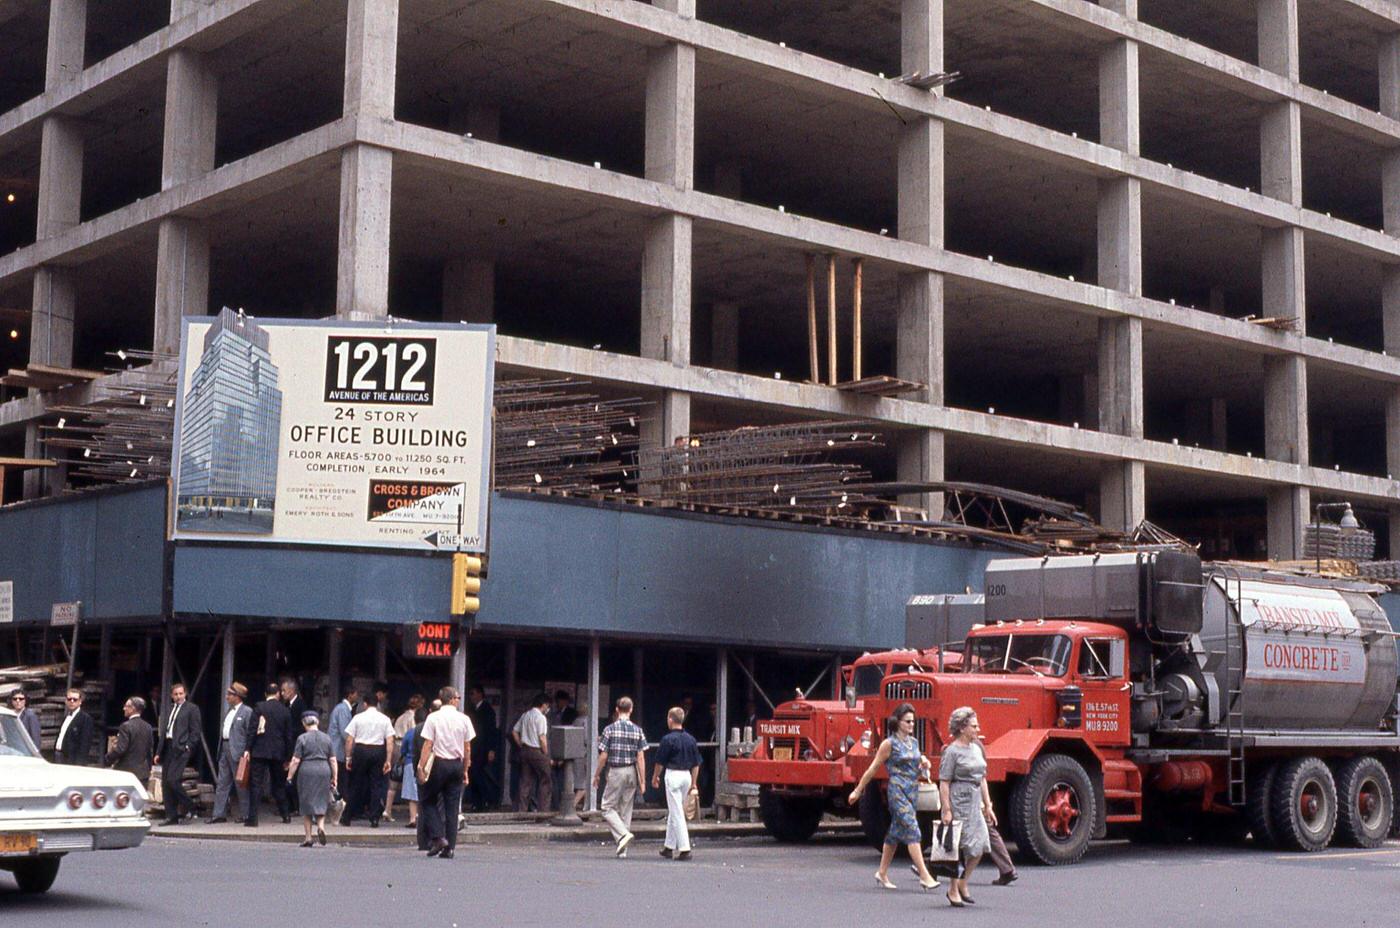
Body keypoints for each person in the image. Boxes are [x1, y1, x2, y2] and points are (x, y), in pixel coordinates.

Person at [847, 702, 940, 892]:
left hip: (912, 791)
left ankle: (881, 872)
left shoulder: (913, 742)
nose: (911, 725)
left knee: (895, 833)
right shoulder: (888, 744)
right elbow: (872, 768)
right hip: (897, 791)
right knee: (913, 829)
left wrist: (923, 761)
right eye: (907, 721)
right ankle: (925, 875)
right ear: (897, 722)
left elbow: (916, 760)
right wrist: (858, 790)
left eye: (913, 721)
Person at [939, 707, 994, 907]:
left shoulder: (977, 748)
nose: (977, 729)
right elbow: (944, 781)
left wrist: (988, 805)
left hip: (974, 799)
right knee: (957, 847)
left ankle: (963, 881)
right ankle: (952, 888)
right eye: (974, 726)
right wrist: (946, 809)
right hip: (958, 799)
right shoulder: (952, 752)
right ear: (962, 728)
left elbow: (983, 778)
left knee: (980, 845)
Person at [418, 686, 475, 859]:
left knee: (427, 800)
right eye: (457, 698)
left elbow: (428, 744)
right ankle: (450, 848)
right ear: (451, 700)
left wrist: (421, 766)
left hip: (438, 764)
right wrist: (465, 769)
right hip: (456, 765)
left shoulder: (433, 718)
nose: (459, 700)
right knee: (452, 807)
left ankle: (438, 837)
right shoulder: (464, 719)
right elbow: (467, 747)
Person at [593, 696, 647, 857]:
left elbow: (603, 755)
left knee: (607, 807)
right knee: (626, 808)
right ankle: (623, 848)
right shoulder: (638, 730)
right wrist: (642, 780)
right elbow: (641, 757)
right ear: (631, 709)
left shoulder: (609, 729)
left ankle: (623, 834)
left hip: (616, 771)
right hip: (631, 771)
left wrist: (597, 774)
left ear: (617, 710)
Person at [651, 705, 701, 861]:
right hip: (687, 775)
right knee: (675, 811)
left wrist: (655, 777)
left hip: (673, 775)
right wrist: (694, 782)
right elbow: (696, 763)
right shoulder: (691, 739)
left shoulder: (667, 739)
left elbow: (660, 762)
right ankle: (668, 846)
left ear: (670, 720)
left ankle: (685, 848)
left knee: (677, 812)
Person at [341, 694, 396, 827]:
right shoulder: (385, 719)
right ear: (377, 704)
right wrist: (388, 760)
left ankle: (347, 816)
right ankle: (374, 817)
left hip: (361, 750)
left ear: (365, 704)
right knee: (376, 785)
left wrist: (348, 757)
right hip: (378, 751)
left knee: (355, 784)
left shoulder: (358, 718)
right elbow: (390, 741)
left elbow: (349, 739)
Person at [244, 682, 294, 827]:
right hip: (278, 752)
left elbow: (252, 729)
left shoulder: (259, 707)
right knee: (278, 784)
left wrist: (248, 748)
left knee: (256, 784)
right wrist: (288, 756)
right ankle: (286, 815)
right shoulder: (285, 711)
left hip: (260, 751)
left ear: (266, 694)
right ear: (278, 694)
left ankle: (253, 818)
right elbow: (288, 736)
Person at [287, 712, 337, 848]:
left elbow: (296, 760)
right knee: (321, 800)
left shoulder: (302, 738)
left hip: (307, 770)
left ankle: (308, 837)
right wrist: (335, 777)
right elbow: (333, 760)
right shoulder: (327, 738)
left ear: (304, 723)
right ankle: (321, 827)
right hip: (323, 769)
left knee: (306, 803)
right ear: (317, 722)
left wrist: (289, 776)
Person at [154, 683, 202, 824]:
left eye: (181, 693)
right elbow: (165, 731)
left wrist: (188, 746)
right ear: (171, 695)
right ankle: (171, 815)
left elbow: (195, 731)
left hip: (181, 748)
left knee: (173, 779)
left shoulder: (192, 709)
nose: (178, 696)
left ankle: (191, 806)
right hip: (168, 747)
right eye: (176, 694)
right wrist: (158, 752)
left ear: (185, 694)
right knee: (165, 783)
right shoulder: (169, 709)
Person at [209, 682, 253, 824]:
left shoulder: (247, 712)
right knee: (222, 782)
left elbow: (250, 733)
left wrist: (247, 750)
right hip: (225, 748)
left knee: (241, 783)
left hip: (238, 751)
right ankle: (218, 814)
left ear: (237, 696)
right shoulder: (230, 711)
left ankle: (246, 814)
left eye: (230, 694)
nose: (227, 696)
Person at [512, 694, 552, 813]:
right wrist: (546, 754)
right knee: (545, 780)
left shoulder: (525, 715)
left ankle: (521, 811)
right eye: (547, 705)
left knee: (525, 782)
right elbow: (542, 738)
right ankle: (543, 811)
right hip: (537, 751)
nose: (548, 708)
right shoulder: (541, 718)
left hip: (524, 750)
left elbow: (514, 731)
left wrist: (521, 744)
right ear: (544, 704)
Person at [466, 686, 499, 811]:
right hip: (473, 747)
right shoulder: (472, 710)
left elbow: (491, 731)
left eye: (473, 693)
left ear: (480, 694)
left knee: (479, 774)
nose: (471, 697)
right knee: (473, 775)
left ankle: (486, 800)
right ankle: (477, 802)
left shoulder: (487, 710)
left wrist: (491, 749)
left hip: (483, 748)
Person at [105, 696, 154, 781]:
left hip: (126, 772)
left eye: (126, 706)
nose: (124, 708)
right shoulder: (148, 726)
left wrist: (108, 758)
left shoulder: (126, 726)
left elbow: (120, 749)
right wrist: (149, 768)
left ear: (133, 708)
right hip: (143, 773)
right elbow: (149, 751)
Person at [281, 680, 306, 816]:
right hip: (288, 745)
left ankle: (296, 806)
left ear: (291, 691)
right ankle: (290, 805)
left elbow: (300, 726)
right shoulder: (286, 705)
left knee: (294, 776)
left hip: (296, 745)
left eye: (284, 690)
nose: (282, 693)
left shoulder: (300, 705)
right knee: (288, 775)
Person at [400, 707, 428, 830]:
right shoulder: (429, 731)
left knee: (412, 793)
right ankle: (423, 817)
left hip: (410, 762)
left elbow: (403, 749)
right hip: (427, 764)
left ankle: (412, 818)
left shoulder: (411, 732)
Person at [55, 688, 96, 766]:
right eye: (69, 699)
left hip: (72, 761)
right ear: (66, 701)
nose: (72, 701)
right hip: (58, 756)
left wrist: (79, 765)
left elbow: (85, 744)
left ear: (80, 702)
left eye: (75, 699)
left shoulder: (85, 719)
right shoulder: (65, 717)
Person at [327, 685, 358, 773]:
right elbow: (346, 733)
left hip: (337, 751)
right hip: (337, 751)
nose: (357, 696)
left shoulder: (343, 708)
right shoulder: (343, 709)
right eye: (356, 694)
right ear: (350, 695)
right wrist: (355, 744)